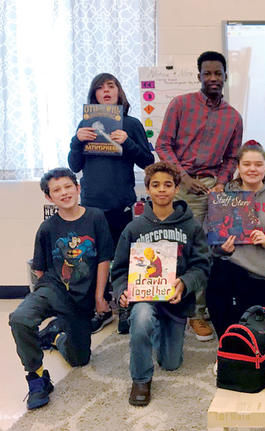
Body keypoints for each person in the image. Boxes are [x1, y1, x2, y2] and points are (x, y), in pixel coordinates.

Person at [155, 50, 243, 341]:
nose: (213, 78)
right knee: (177, 248)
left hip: (216, 190)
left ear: (226, 77)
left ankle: (199, 312)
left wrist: (220, 183)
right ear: (199, 76)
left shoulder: (233, 117)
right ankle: (173, 309)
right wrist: (183, 177)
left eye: (218, 73)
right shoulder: (181, 105)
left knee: (210, 250)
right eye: (208, 73)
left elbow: (232, 157)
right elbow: (163, 145)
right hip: (180, 185)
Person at [9, 168, 114, 410]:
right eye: (57, 190)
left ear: (78, 188)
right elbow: (39, 269)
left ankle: (55, 335)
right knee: (21, 319)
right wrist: (45, 298)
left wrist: (99, 296)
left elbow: (103, 259)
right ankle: (37, 379)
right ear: (49, 198)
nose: (64, 193)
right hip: (53, 288)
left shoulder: (96, 217)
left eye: (68, 187)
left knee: (80, 359)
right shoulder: (47, 228)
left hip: (83, 299)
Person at [111, 161, 210, 406]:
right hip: (145, 297)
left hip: (176, 302)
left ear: (177, 189)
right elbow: (120, 269)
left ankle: (159, 332)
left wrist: (185, 283)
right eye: (155, 185)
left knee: (171, 364)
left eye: (168, 184)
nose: (162, 190)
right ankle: (141, 379)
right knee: (141, 318)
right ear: (148, 189)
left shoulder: (192, 226)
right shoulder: (134, 228)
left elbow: (203, 266)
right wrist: (122, 291)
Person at [68, 72, 155, 334]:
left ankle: (126, 306)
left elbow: (148, 162)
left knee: (125, 257)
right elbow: (74, 165)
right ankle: (102, 307)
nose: (106, 91)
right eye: (100, 88)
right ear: (94, 95)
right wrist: (76, 141)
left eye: (111, 86)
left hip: (121, 204)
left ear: (119, 92)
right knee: (95, 258)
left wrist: (126, 142)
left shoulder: (131, 123)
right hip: (91, 205)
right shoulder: (86, 126)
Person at [206, 141, 265, 339]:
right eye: (247, 164)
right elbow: (209, 239)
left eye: (258, 164)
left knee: (262, 333)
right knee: (218, 279)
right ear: (238, 167)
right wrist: (221, 249)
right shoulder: (223, 196)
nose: (252, 169)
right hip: (234, 268)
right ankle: (227, 345)